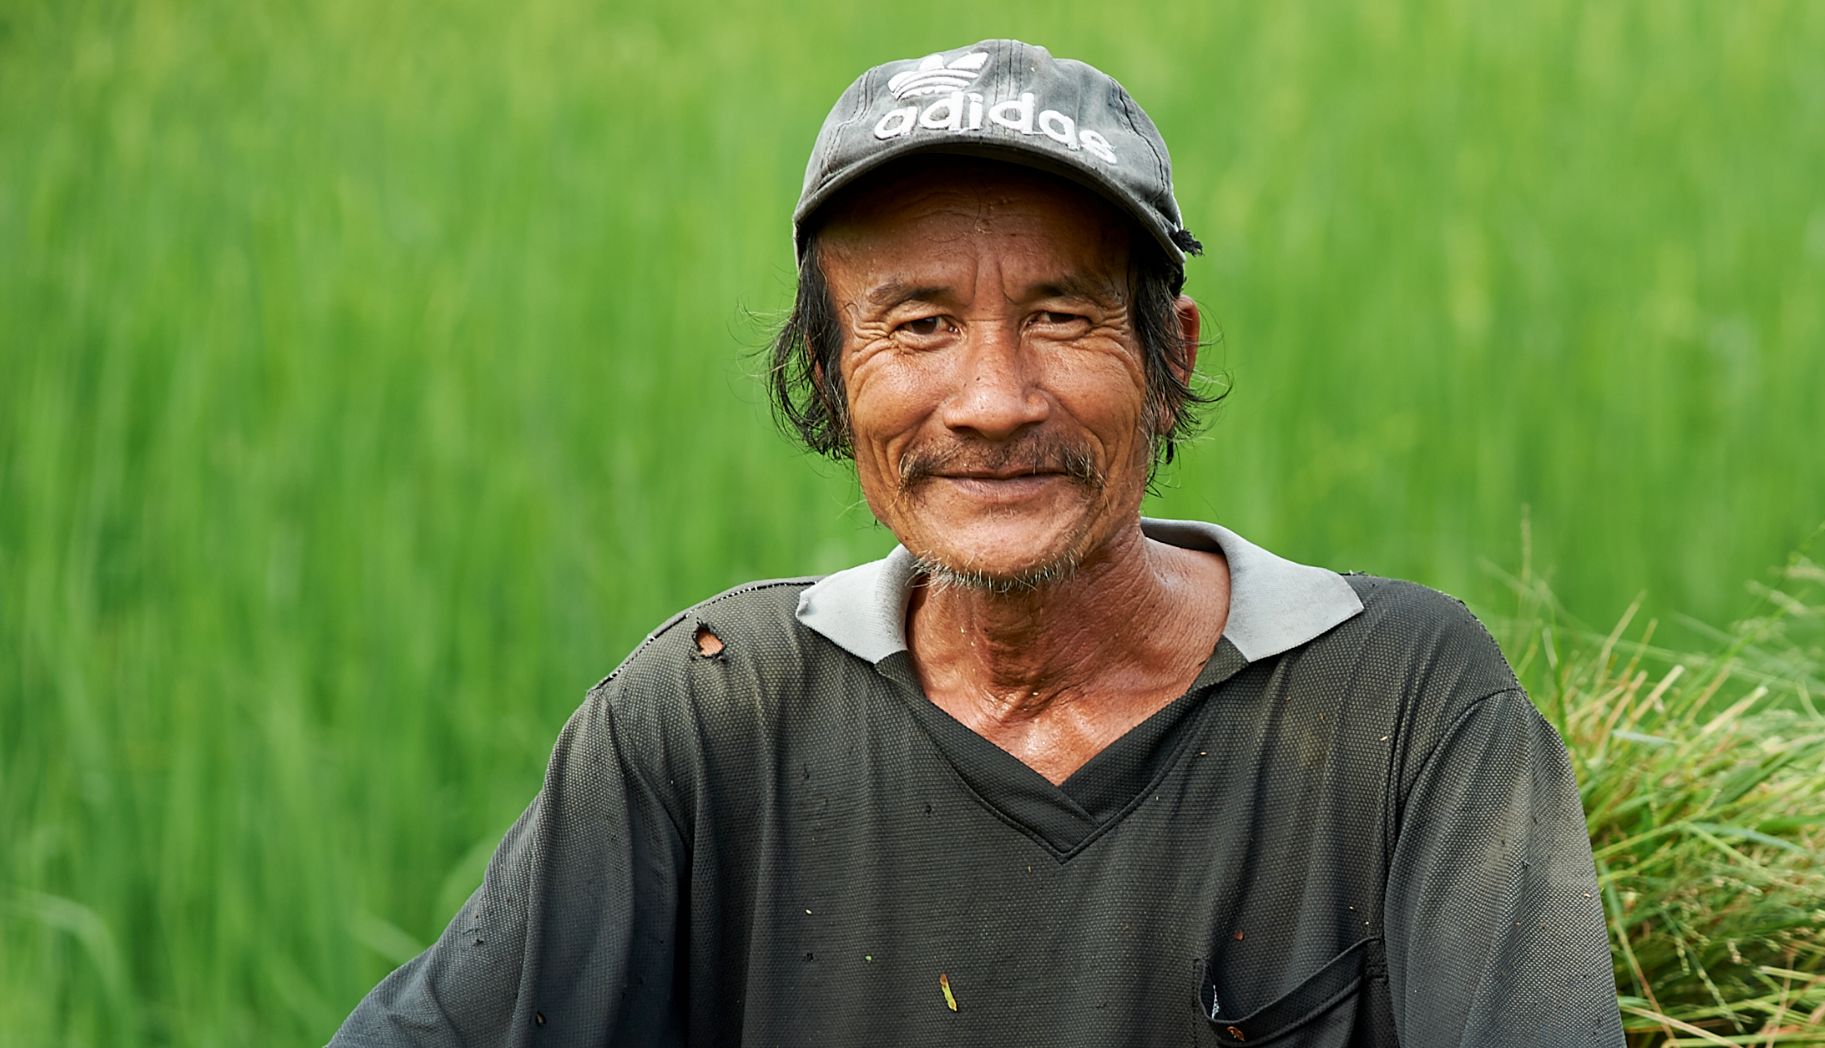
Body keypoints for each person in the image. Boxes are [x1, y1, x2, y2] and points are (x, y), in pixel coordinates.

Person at [330, 38, 1621, 1047]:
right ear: (832, 380)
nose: (995, 400)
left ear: (1169, 360)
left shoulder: (1401, 713)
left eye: (1061, 317)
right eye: (919, 325)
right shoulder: (714, 719)